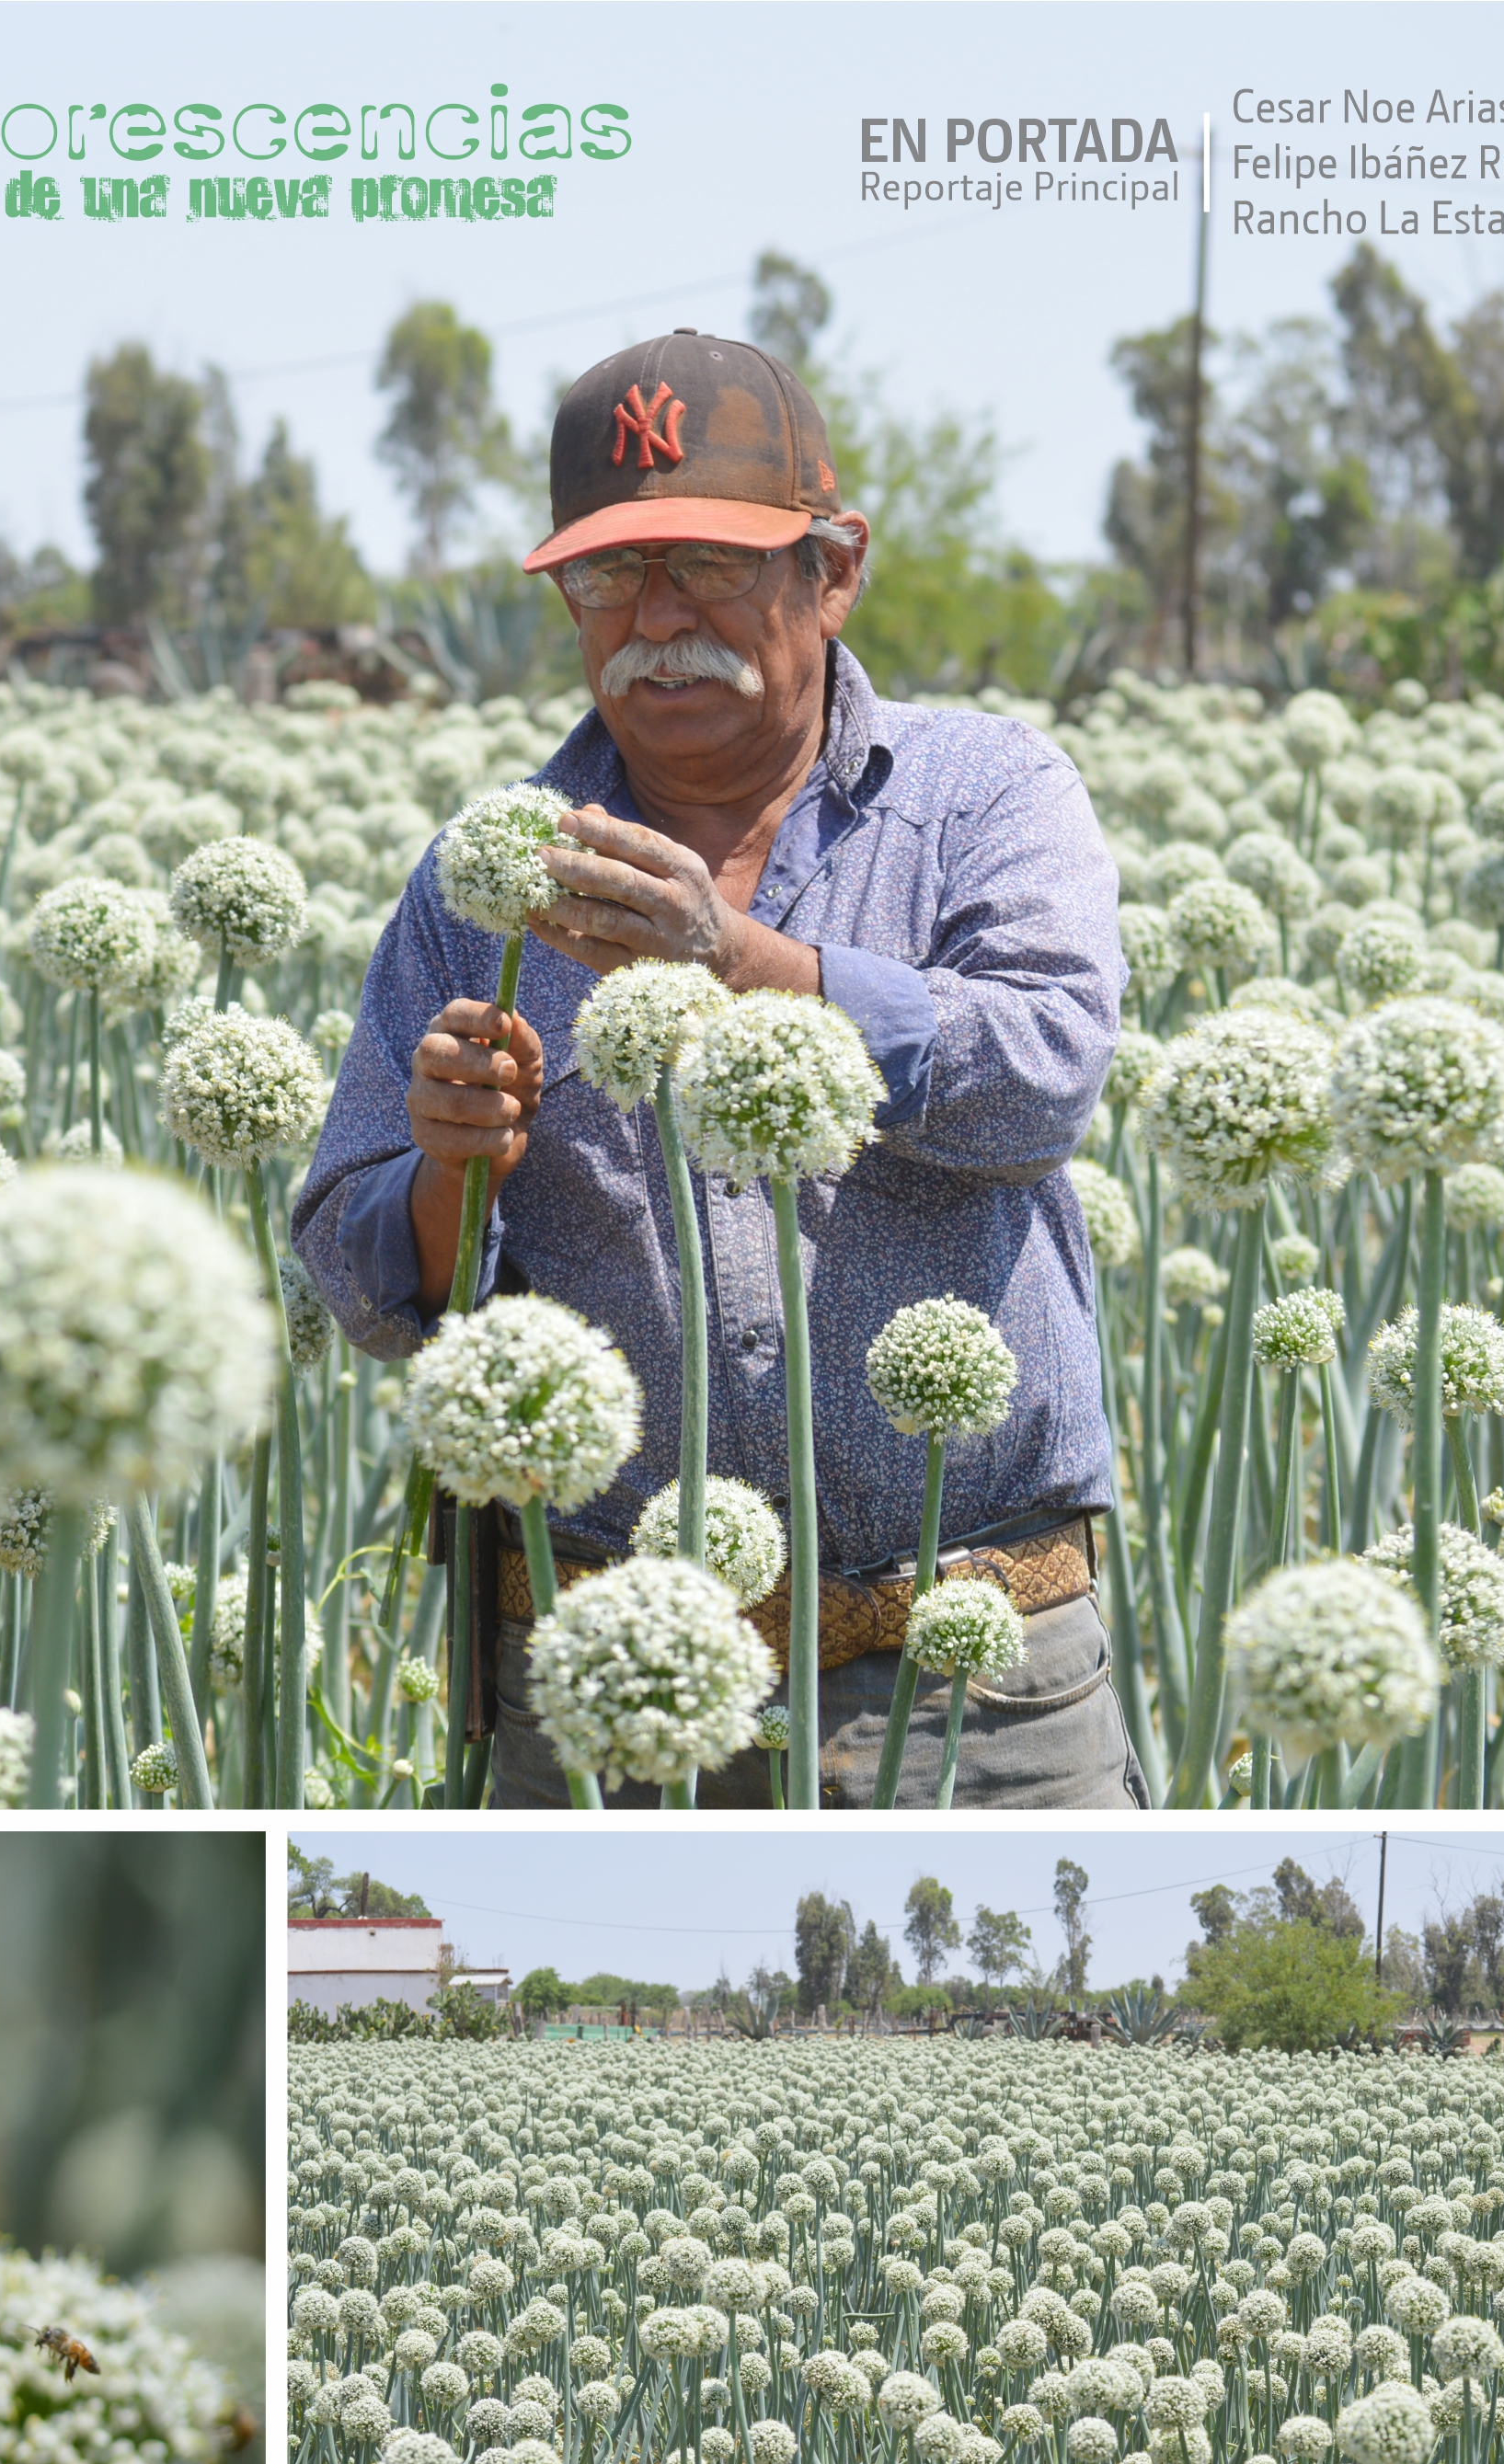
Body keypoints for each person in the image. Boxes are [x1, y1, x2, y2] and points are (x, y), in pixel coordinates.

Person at [292, 327, 1132, 1807]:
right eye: (608, 577)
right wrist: (446, 1170)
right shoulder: (483, 881)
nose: (656, 618)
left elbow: (1047, 1072)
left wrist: (734, 959)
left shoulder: (983, 795)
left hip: (975, 1700)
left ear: (835, 568)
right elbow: (361, 1281)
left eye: (709, 565)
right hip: (605, 1686)